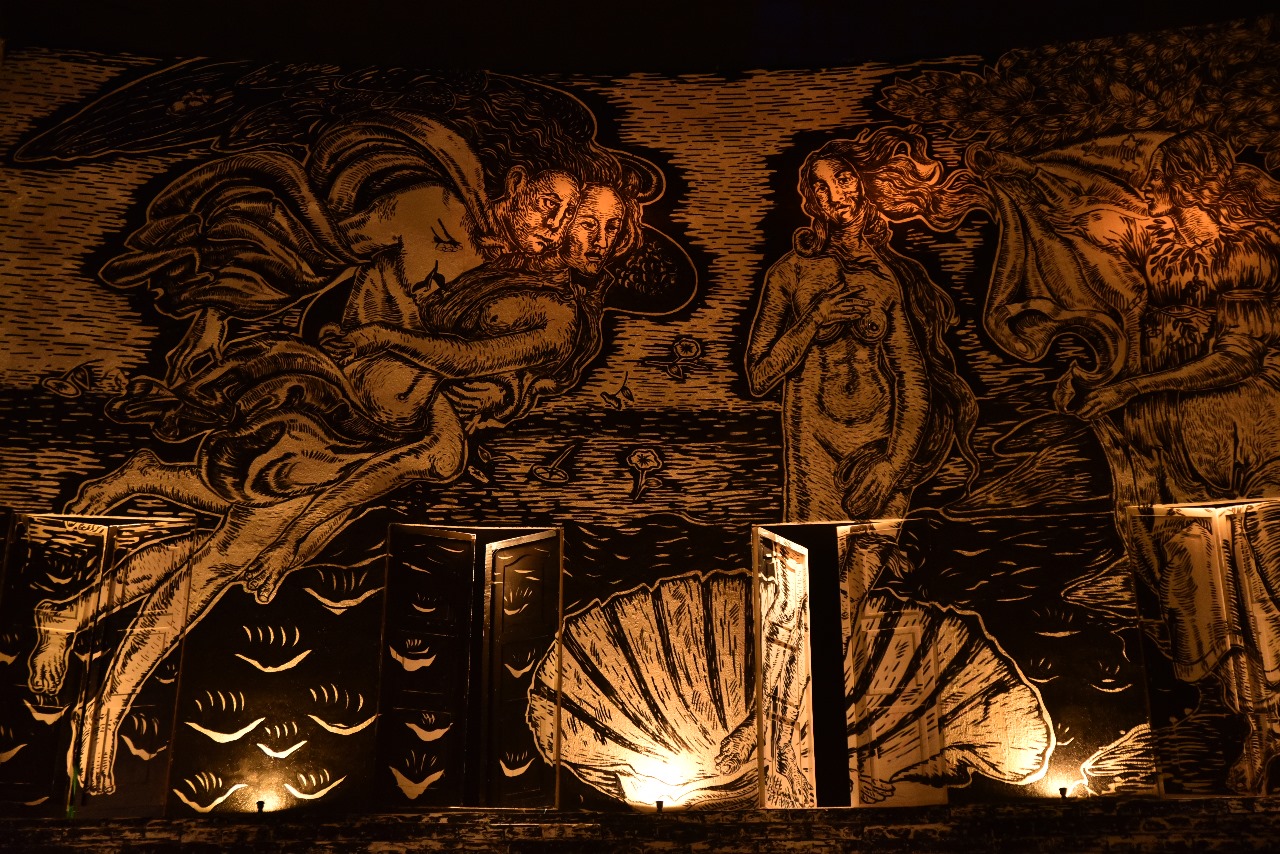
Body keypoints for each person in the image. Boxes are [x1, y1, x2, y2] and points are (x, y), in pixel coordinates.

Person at [746, 128, 979, 522]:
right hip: (814, 451)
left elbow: (911, 378)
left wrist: (893, 465)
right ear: (811, 201)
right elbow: (758, 376)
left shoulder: (890, 278)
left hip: (881, 447)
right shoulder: (790, 274)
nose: (835, 195)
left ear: (863, 182)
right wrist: (814, 319)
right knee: (807, 561)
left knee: (870, 561)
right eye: (821, 187)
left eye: (843, 179)